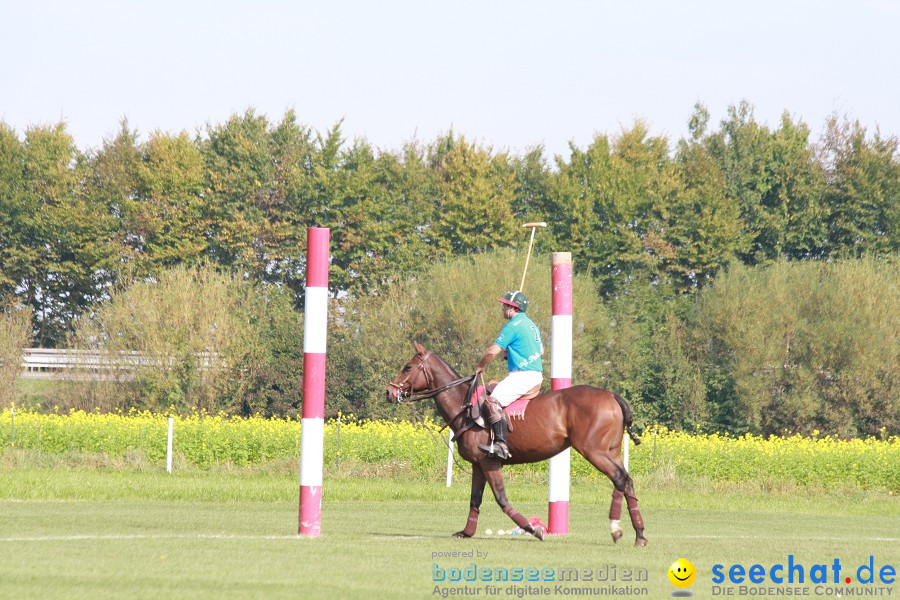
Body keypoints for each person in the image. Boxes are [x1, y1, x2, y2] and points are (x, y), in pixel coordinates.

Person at [474, 290, 544, 459]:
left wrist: (480, 366)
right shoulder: (531, 324)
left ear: (512, 307)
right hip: (534, 374)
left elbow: (492, 352)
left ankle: (501, 444)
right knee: (491, 385)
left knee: (491, 402)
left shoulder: (512, 326)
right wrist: (513, 353)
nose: (502, 308)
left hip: (523, 376)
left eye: (504, 305)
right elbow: (541, 350)